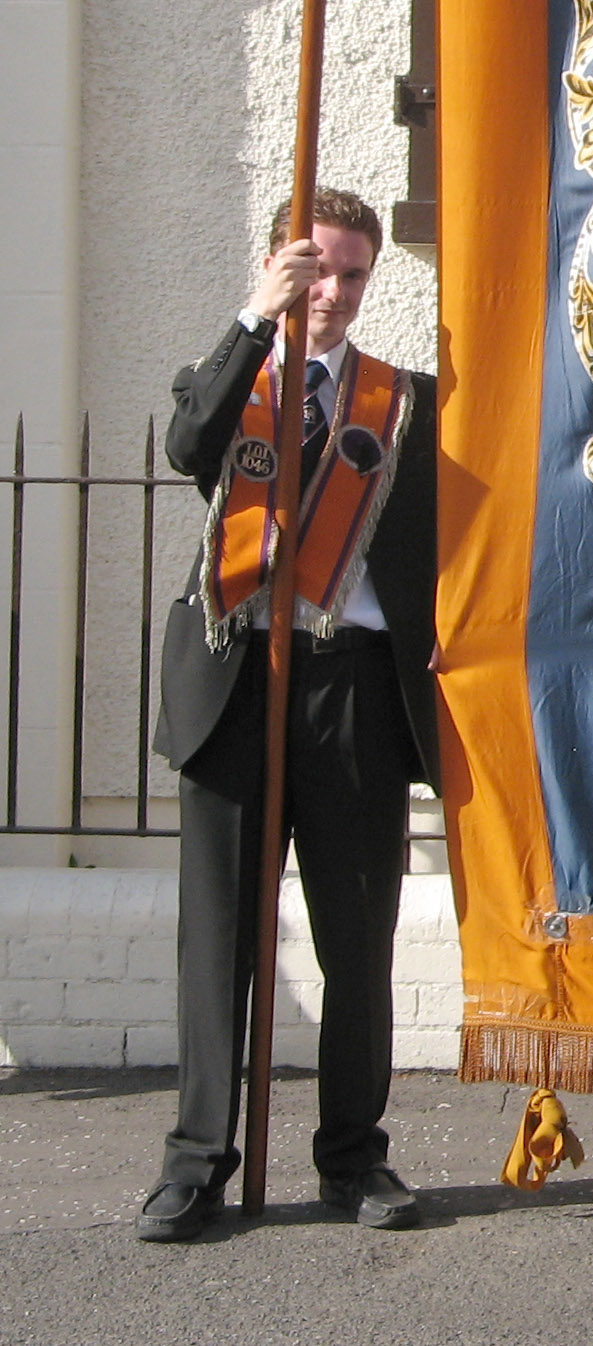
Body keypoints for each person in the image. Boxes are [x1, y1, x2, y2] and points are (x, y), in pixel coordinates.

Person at [136, 188, 438, 1242]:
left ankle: (354, 1160)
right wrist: (252, 320)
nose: (337, 294)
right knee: (218, 941)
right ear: (281, 268)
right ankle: (196, 1164)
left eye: (354, 275)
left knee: (357, 942)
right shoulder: (227, 379)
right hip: (232, 681)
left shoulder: (401, 402)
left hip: (346, 686)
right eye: (318, 272)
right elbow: (187, 445)